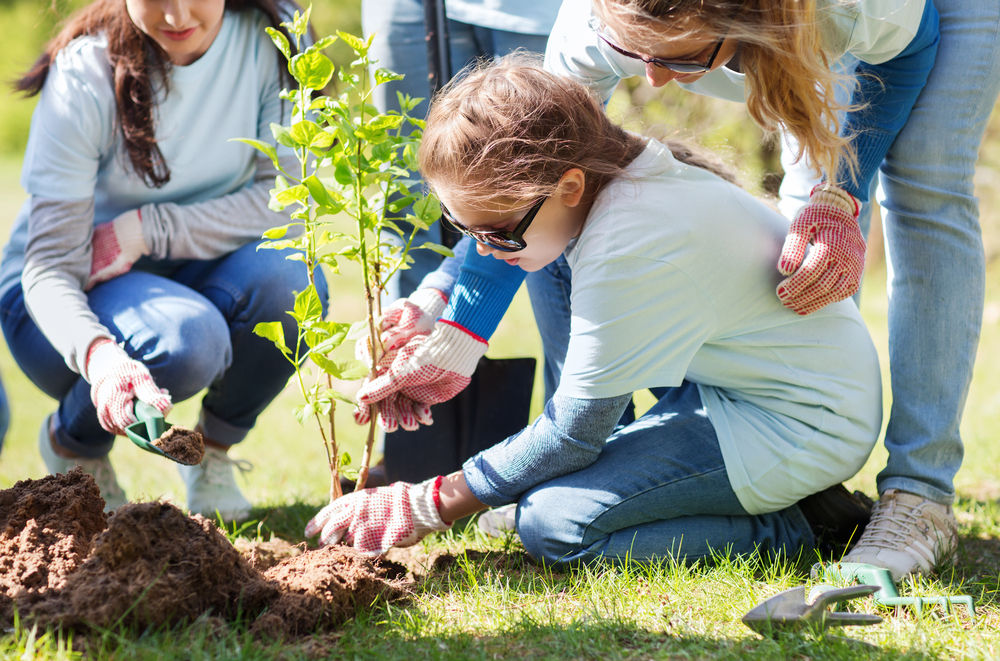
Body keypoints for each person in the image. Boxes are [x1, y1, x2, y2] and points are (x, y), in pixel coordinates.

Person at [351, 0, 997, 581]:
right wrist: (456, 321)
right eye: (636, 54)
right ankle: (642, 477)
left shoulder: (844, 13)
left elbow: (907, 51)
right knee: (557, 241)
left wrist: (840, 194)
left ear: (737, 20)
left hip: (895, 29)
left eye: (677, 57)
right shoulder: (596, 27)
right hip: (759, 389)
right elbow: (520, 185)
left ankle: (914, 492)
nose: (652, 80)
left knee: (923, 186)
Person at [305, 59, 882, 565]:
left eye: (498, 234)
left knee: (555, 525)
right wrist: (439, 309)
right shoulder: (611, 183)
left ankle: (803, 524)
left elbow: (574, 434)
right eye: (465, 228)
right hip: (740, 391)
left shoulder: (628, 244)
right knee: (541, 487)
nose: (483, 250)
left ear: (570, 185)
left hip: (802, 421)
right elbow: (516, 232)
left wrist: (428, 502)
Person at [0, 0, 324, 518]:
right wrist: (102, 358)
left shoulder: (276, 40)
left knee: (293, 283)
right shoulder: (85, 72)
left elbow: (285, 199)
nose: (176, 16)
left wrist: (145, 231)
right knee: (187, 342)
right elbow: (49, 267)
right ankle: (73, 444)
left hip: (180, 262)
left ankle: (210, 455)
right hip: (63, 293)